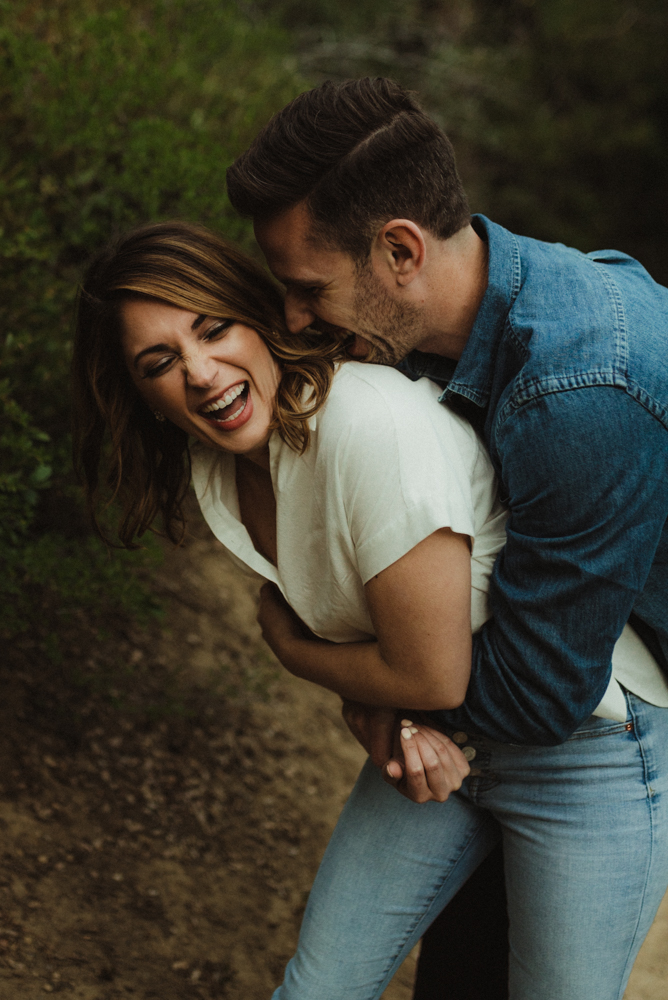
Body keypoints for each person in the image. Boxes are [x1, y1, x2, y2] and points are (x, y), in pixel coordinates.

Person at [225, 77, 668, 1000]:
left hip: (607, 718)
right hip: (504, 699)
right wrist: (392, 701)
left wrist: (355, 683)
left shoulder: (580, 390)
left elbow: (542, 692)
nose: (298, 320)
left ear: (399, 250)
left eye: (311, 289)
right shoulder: (456, 305)